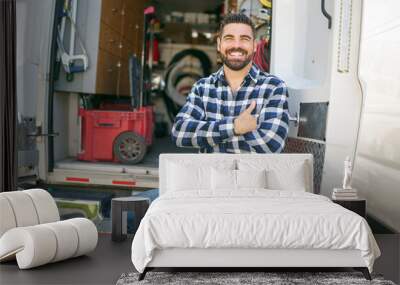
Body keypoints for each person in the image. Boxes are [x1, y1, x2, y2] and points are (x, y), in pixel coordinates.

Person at [171, 13, 289, 153]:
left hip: (253, 175)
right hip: (211, 175)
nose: (237, 45)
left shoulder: (274, 87)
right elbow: (180, 133)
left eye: (244, 39)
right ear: (219, 45)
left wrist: (208, 132)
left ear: (255, 46)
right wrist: (235, 127)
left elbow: (273, 145)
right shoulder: (202, 88)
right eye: (229, 38)